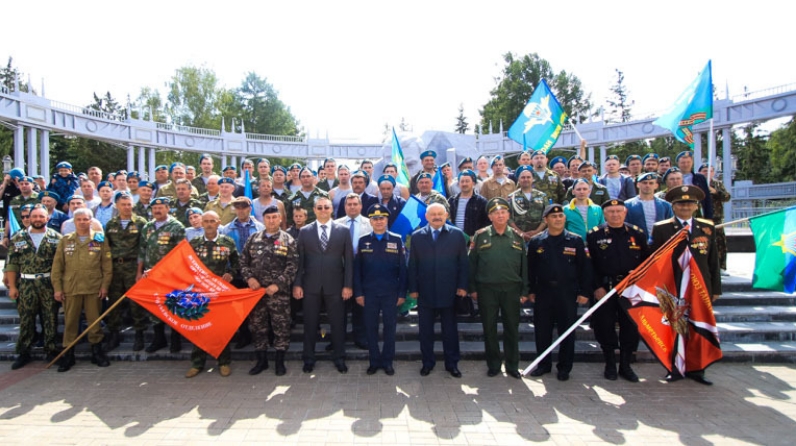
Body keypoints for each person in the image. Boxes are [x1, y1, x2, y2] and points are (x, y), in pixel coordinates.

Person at [652, 185, 721, 385]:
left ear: (696, 206)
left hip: (700, 288)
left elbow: (713, 261)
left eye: (690, 203)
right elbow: (655, 260)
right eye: (681, 204)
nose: (685, 207)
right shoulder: (662, 228)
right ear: (673, 206)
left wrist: (715, 288)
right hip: (673, 286)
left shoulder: (707, 227)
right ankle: (674, 367)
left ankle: (697, 369)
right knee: (675, 327)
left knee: (698, 327)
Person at [587, 199, 650, 382]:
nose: (615, 215)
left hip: (630, 289)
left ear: (625, 212)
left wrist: (639, 278)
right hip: (605, 288)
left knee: (630, 327)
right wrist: (596, 287)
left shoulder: (637, 233)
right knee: (604, 326)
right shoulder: (594, 235)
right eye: (611, 212)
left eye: (618, 211)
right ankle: (610, 364)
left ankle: (625, 365)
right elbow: (590, 265)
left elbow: (647, 261)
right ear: (604, 214)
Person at [527, 204, 592, 381]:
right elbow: (530, 269)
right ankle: (543, 364)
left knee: (567, 331)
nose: (558, 219)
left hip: (567, 292)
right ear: (546, 220)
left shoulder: (575, 240)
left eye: (560, 216)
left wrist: (584, 291)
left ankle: (564, 367)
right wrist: (531, 290)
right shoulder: (537, 241)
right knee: (542, 331)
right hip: (544, 292)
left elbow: (584, 268)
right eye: (553, 216)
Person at [468, 198, 529, 378]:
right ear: (490, 216)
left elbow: (524, 267)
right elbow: (472, 264)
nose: (500, 215)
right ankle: (494, 364)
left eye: (503, 212)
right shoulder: (480, 236)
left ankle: (512, 365)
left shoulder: (517, 237)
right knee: (489, 329)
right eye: (496, 213)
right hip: (487, 290)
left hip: (511, 289)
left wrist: (525, 290)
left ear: (508, 215)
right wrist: (472, 288)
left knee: (512, 328)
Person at [293, 196, 354, 374]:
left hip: (336, 286)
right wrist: (297, 284)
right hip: (310, 286)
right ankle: (308, 358)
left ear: (331, 209)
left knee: (338, 323)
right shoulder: (305, 231)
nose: (323, 210)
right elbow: (299, 261)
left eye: (326, 207)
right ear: (314, 210)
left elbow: (349, 260)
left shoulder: (343, 231)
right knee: (310, 324)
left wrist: (348, 285)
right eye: (319, 207)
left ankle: (339, 357)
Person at [408, 203, 469, 378]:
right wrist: (413, 288)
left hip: (449, 291)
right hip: (425, 292)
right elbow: (412, 264)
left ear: (446, 215)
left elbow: (463, 263)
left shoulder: (456, 235)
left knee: (450, 331)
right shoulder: (417, 236)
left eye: (440, 214)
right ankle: (427, 363)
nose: (436, 217)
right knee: (425, 331)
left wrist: (463, 286)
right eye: (433, 214)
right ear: (426, 217)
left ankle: (452, 364)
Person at [52, 208, 113, 372]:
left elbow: (107, 266)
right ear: (74, 222)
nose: (82, 222)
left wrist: (105, 286)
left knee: (94, 322)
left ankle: (97, 352)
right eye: (79, 220)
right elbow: (57, 267)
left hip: (93, 287)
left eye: (85, 219)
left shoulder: (99, 239)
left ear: (91, 221)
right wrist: (57, 288)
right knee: (70, 322)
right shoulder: (66, 240)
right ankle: (69, 354)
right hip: (71, 288)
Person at [240, 206, 298, 376]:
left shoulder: (288, 240)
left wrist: (278, 284)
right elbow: (243, 262)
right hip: (256, 293)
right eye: (268, 218)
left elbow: (292, 266)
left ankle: (279, 362)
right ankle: (262, 361)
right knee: (258, 327)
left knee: (281, 327)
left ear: (280, 219)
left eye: (274, 217)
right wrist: (249, 278)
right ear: (263, 220)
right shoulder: (253, 239)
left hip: (278, 294)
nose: (271, 221)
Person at [5, 206, 62, 369]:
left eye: (41, 216)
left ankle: (51, 350)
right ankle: (24, 352)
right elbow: (12, 264)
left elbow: (61, 265)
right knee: (26, 319)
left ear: (47, 218)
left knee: (50, 319)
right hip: (26, 284)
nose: (38, 219)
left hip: (48, 284)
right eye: (34, 216)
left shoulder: (56, 238)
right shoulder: (18, 237)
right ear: (29, 218)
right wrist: (13, 287)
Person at [184, 211, 240, 378]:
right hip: (199, 292)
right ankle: (197, 363)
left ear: (218, 223)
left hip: (219, 292)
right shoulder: (194, 243)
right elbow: (184, 264)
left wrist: (231, 273)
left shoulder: (227, 242)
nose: (209, 224)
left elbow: (237, 264)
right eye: (206, 221)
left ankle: (223, 362)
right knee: (199, 328)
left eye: (212, 221)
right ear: (202, 223)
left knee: (221, 328)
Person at [354, 204, 407, 375]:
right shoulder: (363, 241)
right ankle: (374, 361)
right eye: (375, 219)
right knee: (371, 328)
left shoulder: (396, 240)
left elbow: (403, 270)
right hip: (369, 293)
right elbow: (357, 270)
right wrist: (359, 293)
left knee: (390, 328)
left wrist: (402, 293)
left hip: (390, 293)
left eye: (382, 218)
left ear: (387, 220)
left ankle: (388, 361)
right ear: (370, 221)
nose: (378, 221)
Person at [138, 197, 186, 353]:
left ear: (167, 208)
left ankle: (175, 339)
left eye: (160, 208)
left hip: (171, 275)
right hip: (150, 275)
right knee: (155, 306)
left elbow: (181, 253)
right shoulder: (147, 227)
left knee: (173, 306)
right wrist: (139, 272)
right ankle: (159, 339)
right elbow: (142, 250)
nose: (157, 211)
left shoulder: (176, 227)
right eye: (154, 208)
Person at [104, 192, 149, 352]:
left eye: (129, 204)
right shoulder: (111, 224)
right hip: (115, 267)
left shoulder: (141, 223)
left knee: (136, 302)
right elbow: (106, 247)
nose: (126, 207)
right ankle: (114, 334)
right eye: (123, 204)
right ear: (117, 205)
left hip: (133, 267)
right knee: (114, 302)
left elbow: (143, 248)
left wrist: (140, 271)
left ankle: (139, 334)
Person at [335, 193, 373, 350]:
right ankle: (338, 338)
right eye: (349, 204)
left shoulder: (370, 224)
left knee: (360, 306)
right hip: (340, 271)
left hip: (362, 271)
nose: (352, 207)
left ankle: (361, 337)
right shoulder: (335, 224)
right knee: (339, 308)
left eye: (355, 204)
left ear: (361, 206)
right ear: (344, 207)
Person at [699, 164, 731, 274]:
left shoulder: (717, 184)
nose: (707, 173)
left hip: (716, 218)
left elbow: (727, 197)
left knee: (720, 243)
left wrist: (716, 192)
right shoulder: (697, 183)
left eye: (709, 171)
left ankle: (721, 267)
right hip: (701, 218)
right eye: (704, 171)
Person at [624, 172, 673, 244]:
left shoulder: (665, 205)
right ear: (638, 184)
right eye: (644, 183)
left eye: (651, 183)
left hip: (660, 244)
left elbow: (670, 225)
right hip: (636, 243)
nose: (647, 185)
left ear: (656, 185)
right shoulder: (628, 205)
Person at [507, 166, 547, 242]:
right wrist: (520, 233)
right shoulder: (511, 197)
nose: (526, 179)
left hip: (539, 237)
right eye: (523, 177)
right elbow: (508, 218)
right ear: (518, 179)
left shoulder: (542, 196)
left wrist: (537, 232)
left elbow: (546, 217)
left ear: (533, 179)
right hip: (518, 237)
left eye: (528, 177)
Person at [448, 170, 489, 238]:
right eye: (462, 181)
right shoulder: (452, 201)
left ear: (473, 183)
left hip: (473, 239)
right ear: (459, 184)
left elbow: (487, 222)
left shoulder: (481, 202)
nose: (464, 184)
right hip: (455, 238)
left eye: (467, 181)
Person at [675, 151, 713, 219]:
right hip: (679, 211)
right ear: (678, 163)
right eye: (683, 163)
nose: (686, 165)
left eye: (688, 162)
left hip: (697, 212)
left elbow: (707, 198)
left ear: (692, 162)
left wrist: (709, 218)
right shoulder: (673, 178)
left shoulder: (700, 178)